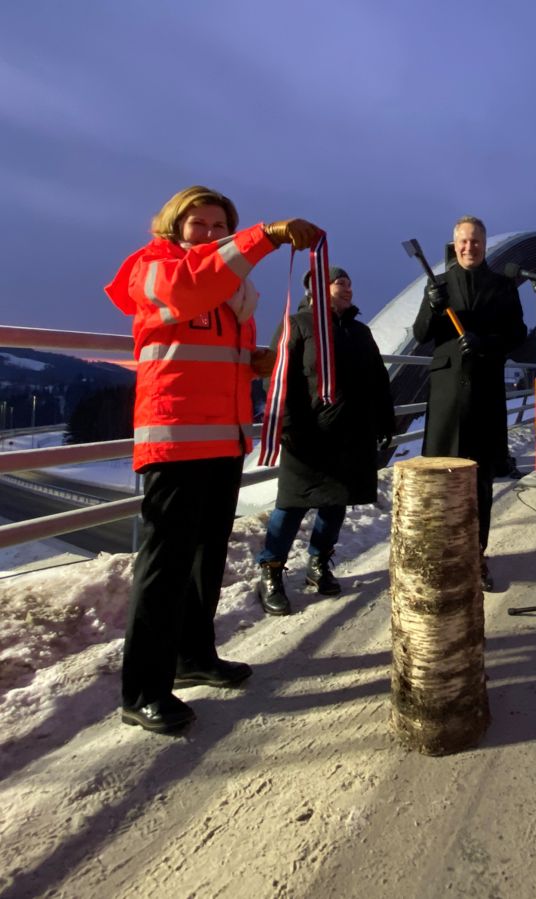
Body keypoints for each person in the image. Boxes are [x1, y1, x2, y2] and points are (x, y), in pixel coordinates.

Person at [105, 185, 319, 734]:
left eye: (219, 226)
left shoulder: (231, 296)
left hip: (222, 440)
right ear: (174, 225)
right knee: (164, 565)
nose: (209, 234)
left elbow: (203, 354)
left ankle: (193, 656)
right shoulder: (154, 268)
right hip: (175, 441)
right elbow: (186, 291)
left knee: (205, 558)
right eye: (198, 224)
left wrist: (253, 363)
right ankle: (143, 689)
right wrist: (265, 234)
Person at [255, 266, 395, 616]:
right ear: (316, 288)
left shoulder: (360, 332)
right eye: (339, 283)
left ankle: (318, 564)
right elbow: (276, 377)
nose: (347, 288)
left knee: (336, 503)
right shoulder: (298, 324)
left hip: (351, 434)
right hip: (307, 433)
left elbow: (378, 379)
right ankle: (270, 571)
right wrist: (286, 425)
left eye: (350, 283)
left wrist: (385, 420)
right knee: (291, 504)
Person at [412, 216, 527, 592]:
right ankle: (444, 556)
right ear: (454, 243)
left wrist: (487, 344)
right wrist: (431, 306)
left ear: (484, 243)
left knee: (480, 482)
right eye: (463, 241)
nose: (469, 247)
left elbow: (516, 334)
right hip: (447, 398)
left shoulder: (502, 286)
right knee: (441, 480)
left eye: (475, 241)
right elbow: (420, 334)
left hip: (485, 394)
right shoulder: (439, 284)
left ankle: (477, 555)